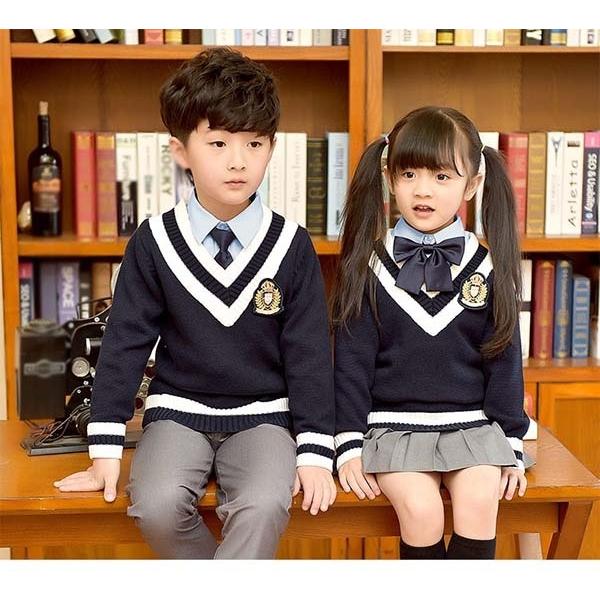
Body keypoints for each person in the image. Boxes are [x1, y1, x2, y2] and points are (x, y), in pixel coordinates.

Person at [54, 47, 336, 559]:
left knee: (264, 504)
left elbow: (310, 354)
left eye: (254, 144)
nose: (238, 161)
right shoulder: (154, 241)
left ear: (272, 148)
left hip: (265, 418)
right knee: (156, 504)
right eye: (218, 143)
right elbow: (125, 344)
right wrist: (105, 446)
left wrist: (316, 450)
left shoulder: (291, 245)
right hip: (177, 414)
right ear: (181, 150)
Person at [331, 106, 533, 560]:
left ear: (472, 184)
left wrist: (511, 441)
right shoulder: (368, 266)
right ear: (389, 178)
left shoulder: (488, 267)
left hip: (471, 426)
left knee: (480, 500)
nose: (423, 190)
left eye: (442, 177)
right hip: (392, 428)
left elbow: (503, 360)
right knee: (422, 511)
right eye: (409, 174)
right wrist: (348, 445)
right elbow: (351, 365)